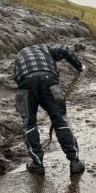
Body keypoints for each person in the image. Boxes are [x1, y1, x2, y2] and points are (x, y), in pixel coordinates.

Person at [14, 44, 86, 174]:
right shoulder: (46, 49)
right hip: (49, 81)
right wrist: (79, 66)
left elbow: (17, 78)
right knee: (60, 120)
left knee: (29, 123)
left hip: (25, 83)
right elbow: (64, 49)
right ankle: (75, 162)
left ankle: (37, 164)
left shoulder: (19, 55)